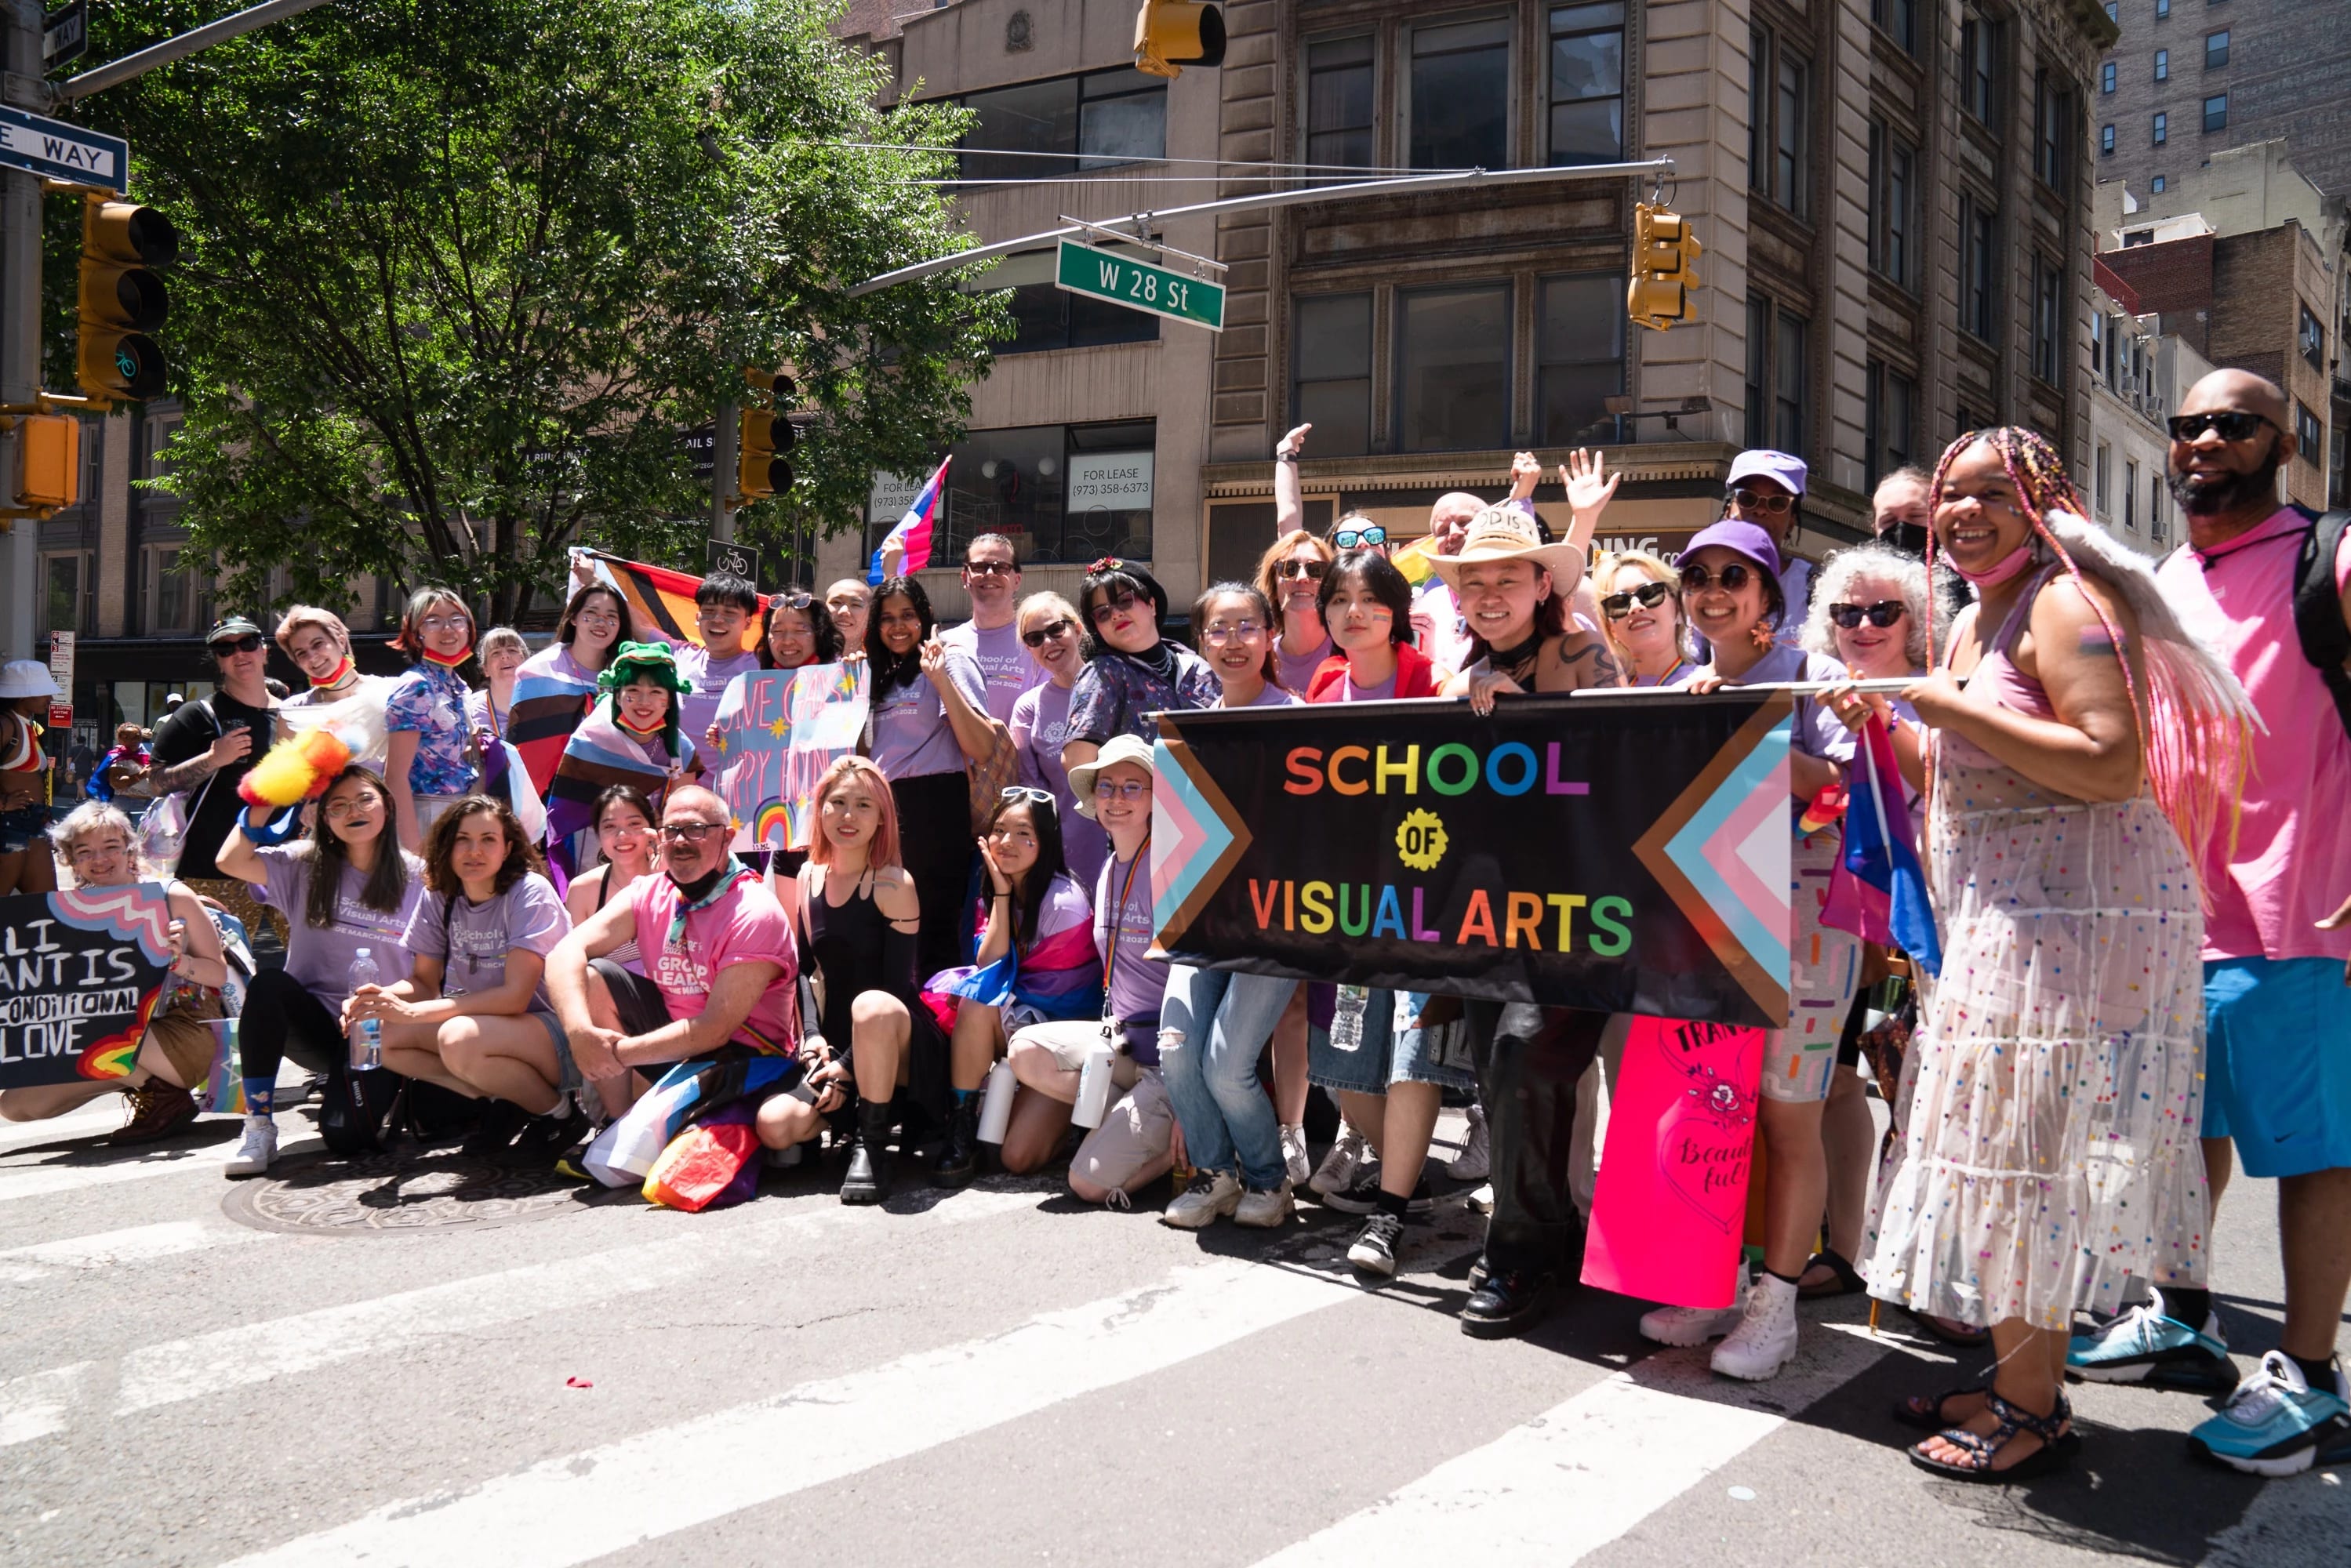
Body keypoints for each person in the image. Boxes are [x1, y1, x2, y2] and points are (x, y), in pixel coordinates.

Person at [1855, 426, 2240, 1480]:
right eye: (1952, 496)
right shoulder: (1978, 614)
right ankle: (2019, 1379)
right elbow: (1966, 765)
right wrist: (1896, 722)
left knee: (2028, 1164)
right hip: (2008, 914)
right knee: (2006, 1154)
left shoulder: (2066, 603)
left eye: (1994, 494)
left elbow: (2109, 765)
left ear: (2043, 505)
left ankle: (2028, 1411)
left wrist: (1934, 703)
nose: (1966, 513)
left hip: (2067, 923)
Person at [2083, 368, 2351, 1476]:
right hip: (2171, 912)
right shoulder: (2160, 581)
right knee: (2183, 1128)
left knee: (2308, 1151)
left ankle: (2306, 1373)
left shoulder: (2324, 559)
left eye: (2231, 424)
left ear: (2278, 443)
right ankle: (2183, 1315)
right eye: (2185, 425)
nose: (2202, 441)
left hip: (2298, 908)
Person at [1637, 518, 1858, 1381]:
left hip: (1807, 926)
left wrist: (1748, 730)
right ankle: (1715, 1282)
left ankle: (1778, 1304)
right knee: (1716, 1107)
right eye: (1697, 575)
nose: (1713, 589)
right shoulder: (1684, 681)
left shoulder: (1812, 675)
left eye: (1736, 573)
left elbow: (1843, 792)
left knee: (1789, 1113)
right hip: (1710, 925)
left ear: (1770, 594)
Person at [546, 784, 828, 1178]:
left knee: (696, 1168)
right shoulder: (649, 891)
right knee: (595, 978)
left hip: (745, 1062)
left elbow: (713, 1029)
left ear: (727, 837)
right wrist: (579, 1033)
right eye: (672, 831)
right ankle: (615, 1125)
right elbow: (563, 953)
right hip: (677, 1052)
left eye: (696, 829)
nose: (681, 841)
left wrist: (616, 1053)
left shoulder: (754, 911)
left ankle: (802, 1121)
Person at [1794, 544, 1934, 1310]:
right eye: (1846, 612)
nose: (1863, 625)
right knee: (1835, 1085)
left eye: (1883, 611)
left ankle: (1942, 1279)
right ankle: (1844, 1250)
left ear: (1916, 618)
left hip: (1924, 929)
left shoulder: (1937, 690)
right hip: (1835, 925)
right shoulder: (1811, 688)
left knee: (1926, 1102)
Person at [1159, 584, 1303, 1232]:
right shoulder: (1188, 728)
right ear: (1202, 643)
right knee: (1176, 1049)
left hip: (1277, 923)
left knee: (1227, 1065)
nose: (1234, 640)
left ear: (1271, 635)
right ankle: (1215, 1176)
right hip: (1203, 918)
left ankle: (1269, 1183)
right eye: (1219, 629)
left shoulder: (1298, 717)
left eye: (1248, 626)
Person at [213, 765, 427, 1176]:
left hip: (380, 1031)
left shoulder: (420, 875)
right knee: (269, 984)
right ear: (321, 817)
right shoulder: (303, 863)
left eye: (365, 799)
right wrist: (267, 796)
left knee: (345, 1138)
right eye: (338, 806)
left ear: (388, 805)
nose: (354, 812)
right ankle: (258, 1125)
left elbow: (429, 977)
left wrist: (385, 1004)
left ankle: (397, 1088)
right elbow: (230, 860)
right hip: (317, 1028)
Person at [347, 794, 583, 1162]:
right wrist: (377, 999)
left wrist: (414, 1014)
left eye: (488, 839)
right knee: (380, 1033)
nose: (474, 851)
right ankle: (507, 1097)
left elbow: (515, 998)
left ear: (507, 848)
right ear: (446, 844)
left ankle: (560, 1115)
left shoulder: (529, 893)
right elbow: (423, 983)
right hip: (490, 1033)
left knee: (456, 1038)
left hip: (559, 1035)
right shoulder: (440, 895)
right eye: (463, 839)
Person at [998, 735, 1177, 1205]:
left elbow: (1199, 984)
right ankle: (1125, 1118)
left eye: (1133, 787)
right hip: (1120, 1044)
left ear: (1157, 797)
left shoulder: (1172, 867)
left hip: (1169, 1060)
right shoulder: (1107, 870)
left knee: (1088, 1184)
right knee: (1025, 1051)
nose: (1117, 798)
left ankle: (1189, 1146)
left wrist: (1190, 1088)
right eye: (1107, 786)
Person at [0, 803, 231, 1142]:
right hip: (114, 1040)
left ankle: (163, 1093)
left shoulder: (171, 896)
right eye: (85, 851)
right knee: (16, 1105)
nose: (100, 859)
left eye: (111, 848)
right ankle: (153, 1089)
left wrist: (180, 962)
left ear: (129, 850)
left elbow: (218, 976)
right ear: (70, 859)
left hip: (183, 1035)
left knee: (92, 1015)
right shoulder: (69, 911)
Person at [925, 786, 1100, 1186]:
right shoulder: (996, 889)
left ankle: (1073, 1123)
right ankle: (962, 1125)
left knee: (1018, 1157)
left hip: (1061, 1038)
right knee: (977, 1000)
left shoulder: (1064, 903)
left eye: (1024, 833)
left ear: (1046, 842)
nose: (1008, 842)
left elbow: (1060, 997)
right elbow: (988, 966)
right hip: (1020, 1022)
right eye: (1000, 830)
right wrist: (1001, 897)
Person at [780, 757, 937, 1201]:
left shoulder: (895, 883)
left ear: (882, 816)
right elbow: (804, 969)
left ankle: (872, 1145)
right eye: (839, 803)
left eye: (864, 805)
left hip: (894, 1032)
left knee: (871, 1005)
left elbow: (896, 989)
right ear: (820, 810)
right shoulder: (808, 874)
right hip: (835, 1041)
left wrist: (846, 1065)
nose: (849, 816)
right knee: (776, 1129)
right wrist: (812, 1038)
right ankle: (837, 1122)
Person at [866, 575, 995, 983]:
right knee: (885, 927)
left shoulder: (950, 659)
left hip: (935, 807)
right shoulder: (876, 673)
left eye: (908, 615)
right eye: (887, 618)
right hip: (883, 807)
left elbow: (983, 746)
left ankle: (940, 1027)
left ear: (925, 617)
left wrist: (940, 679)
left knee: (933, 928)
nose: (898, 626)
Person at [147, 617, 280, 940]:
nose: (239, 653)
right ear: (217, 660)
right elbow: (156, 781)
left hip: (285, 866)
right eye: (225, 648)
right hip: (212, 869)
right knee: (216, 976)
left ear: (264, 651)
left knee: (314, 972)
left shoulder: (292, 713)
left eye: (247, 644)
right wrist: (213, 759)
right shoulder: (196, 715)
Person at [1061, 558, 1219, 771]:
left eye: (1125, 601)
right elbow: (1077, 761)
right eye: (1102, 613)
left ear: (1152, 604)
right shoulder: (1102, 675)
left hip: (1211, 802)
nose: (1116, 614)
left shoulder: (1200, 668)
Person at [1007, 592, 1108, 890]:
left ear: (1077, 629)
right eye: (1035, 638)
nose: (1048, 643)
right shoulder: (1029, 707)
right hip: (1063, 861)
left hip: (1125, 852)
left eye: (1055, 630)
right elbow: (1031, 788)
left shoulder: (1113, 687)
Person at [511, 584, 636, 800]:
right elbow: (524, 752)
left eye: (611, 617)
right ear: (574, 618)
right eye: (591, 613)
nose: (601, 623)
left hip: (612, 801)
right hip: (548, 801)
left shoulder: (628, 675)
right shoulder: (538, 673)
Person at [383, 587, 479, 851]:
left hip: (457, 812)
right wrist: (415, 849)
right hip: (426, 814)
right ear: (416, 633)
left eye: (457, 619)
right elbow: (395, 777)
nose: (448, 629)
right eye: (433, 620)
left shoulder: (454, 684)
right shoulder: (417, 686)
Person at [1306, 550, 1448, 702]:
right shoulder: (1322, 688)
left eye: (1369, 599)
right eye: (1340, 600)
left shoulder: (1436, 687)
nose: (1353, 612)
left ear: (1395, 609)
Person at [941, 534, 1046, 724]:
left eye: (1001, 568)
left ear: (1017, 580)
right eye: (979, 567)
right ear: (965, 577)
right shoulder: (944, 644)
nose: (990, 573)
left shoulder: (1037, 642)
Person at [1717, 450, 1815, 648]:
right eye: (1747, 498)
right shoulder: (1700, 581)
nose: (1761, 510)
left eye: (1777, 502)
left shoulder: (1815, 588)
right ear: (1728, 510)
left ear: (1791, 522)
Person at [564, 784, 659, 974]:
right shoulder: (582, 890)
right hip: (613, 996)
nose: (622, 835)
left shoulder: (672, 879)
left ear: (651, 828)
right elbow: (573, 960)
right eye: (610, 827)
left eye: (634, 824)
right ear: (598, 835)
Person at [671, 573, 764, 745]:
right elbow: (638, 624)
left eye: (730, 613)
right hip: (682, 771)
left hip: (742, 771)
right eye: (709, 611)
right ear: (698, 618)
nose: (718, 619)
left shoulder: (765, 664)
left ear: (748, 622)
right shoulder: (679, 655)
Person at [0, 661, 61, 897]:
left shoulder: (28, 726)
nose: (50, 699)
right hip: (8, 823)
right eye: (43, 692)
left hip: (34, 821)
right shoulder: (6, 725)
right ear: (22, 695)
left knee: (45, 905)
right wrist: (3, 803)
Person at [1595, 550, 1698, 687]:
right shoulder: (1605, 698)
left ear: (1678, 607)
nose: (1636, 607)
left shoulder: (1710, 689)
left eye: (1649, 594)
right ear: (1611, 629)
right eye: (1619, 602)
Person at [1255, 528, 1337, 695]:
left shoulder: (1351, 652)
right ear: (1273, 582)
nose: (1302, 578)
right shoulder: (1258, 661)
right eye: (1289, 569)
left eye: (1316, 570)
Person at [274, 605, 379, 717]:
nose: (312, 657)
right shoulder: (293, 712)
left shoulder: (389, 695)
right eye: (301, 653)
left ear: (341, 642)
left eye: (317, 644)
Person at [468, 626, 529, 742]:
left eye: (512, 650)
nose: (505, 656)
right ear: (485, 669)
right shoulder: (470, 709)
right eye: (495, 653)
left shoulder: (544, 703)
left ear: (525, 661)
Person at [89, 721, 152, 806]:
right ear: (120, 739)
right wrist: (142, 774)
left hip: (149, 802)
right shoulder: (118, 757)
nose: (133, 740)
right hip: (127, 803)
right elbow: (117, 783)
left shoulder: (145, 755)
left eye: (137, 737)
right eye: (127, 737)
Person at [826, 578, 873, 655]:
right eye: (836, 602)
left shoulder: (881, 661)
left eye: (855, 605)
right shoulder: (804, 655)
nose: (844, 611)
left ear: (871, 614)